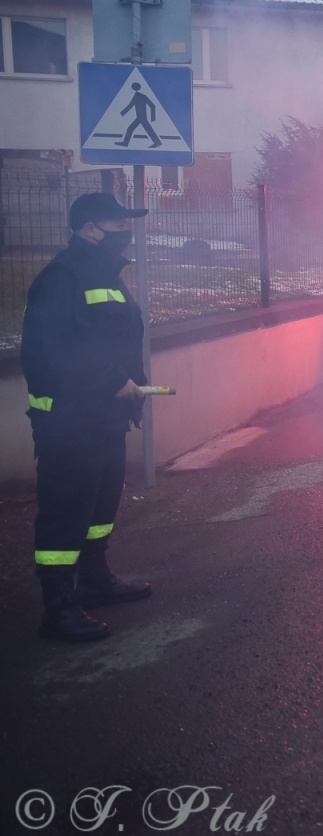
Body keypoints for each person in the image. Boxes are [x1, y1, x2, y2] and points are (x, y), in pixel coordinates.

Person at [22, 191, 155, 643]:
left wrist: (131, 387)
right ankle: (57, 607)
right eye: (118, 224)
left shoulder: (105, 274)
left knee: (100, 505)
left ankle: (95, 580)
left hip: (105, 416)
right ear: (90, 229)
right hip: (69, 421)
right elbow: (55, 347)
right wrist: (112, 381)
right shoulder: (62, 277)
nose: (126, 231)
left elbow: (115, 340)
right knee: (66, 511)